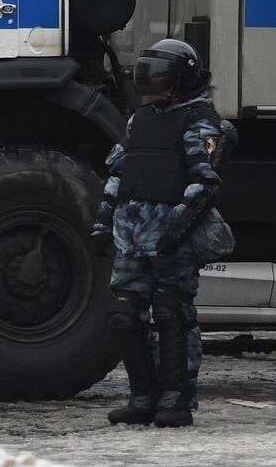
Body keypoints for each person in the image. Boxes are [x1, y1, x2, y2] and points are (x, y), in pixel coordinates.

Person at [91, 38, 235, 429]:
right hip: (132, 235)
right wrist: (104, 223)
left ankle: (176, 400)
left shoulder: (199, 120)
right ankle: (142, 398)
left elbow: (204, 184)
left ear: (182, 79)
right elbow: (119, 172)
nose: (153, 86)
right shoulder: (141, 119)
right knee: (123, 316)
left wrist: (176, 232)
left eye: (161, 77)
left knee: (172, 314)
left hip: (173, 238)